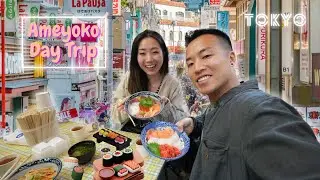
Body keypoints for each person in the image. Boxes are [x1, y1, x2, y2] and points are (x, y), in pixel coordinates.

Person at [176, 29, 320, 179]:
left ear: (232, 58)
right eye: (190, 63)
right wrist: (195, 124)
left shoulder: (260, 111)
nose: (197, 68)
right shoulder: (220, 105)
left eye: (206, 56)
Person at [111, 30, 189, 128]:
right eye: (142, 53)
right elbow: (114, 115)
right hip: (131, 140)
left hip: (159, 139)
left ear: (164, 53)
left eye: (155, 52)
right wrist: (126, 108)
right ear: (136, 56)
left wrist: (167, 108)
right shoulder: (129, 78)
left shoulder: (173, 84)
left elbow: (182, 120)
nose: (149, 59)